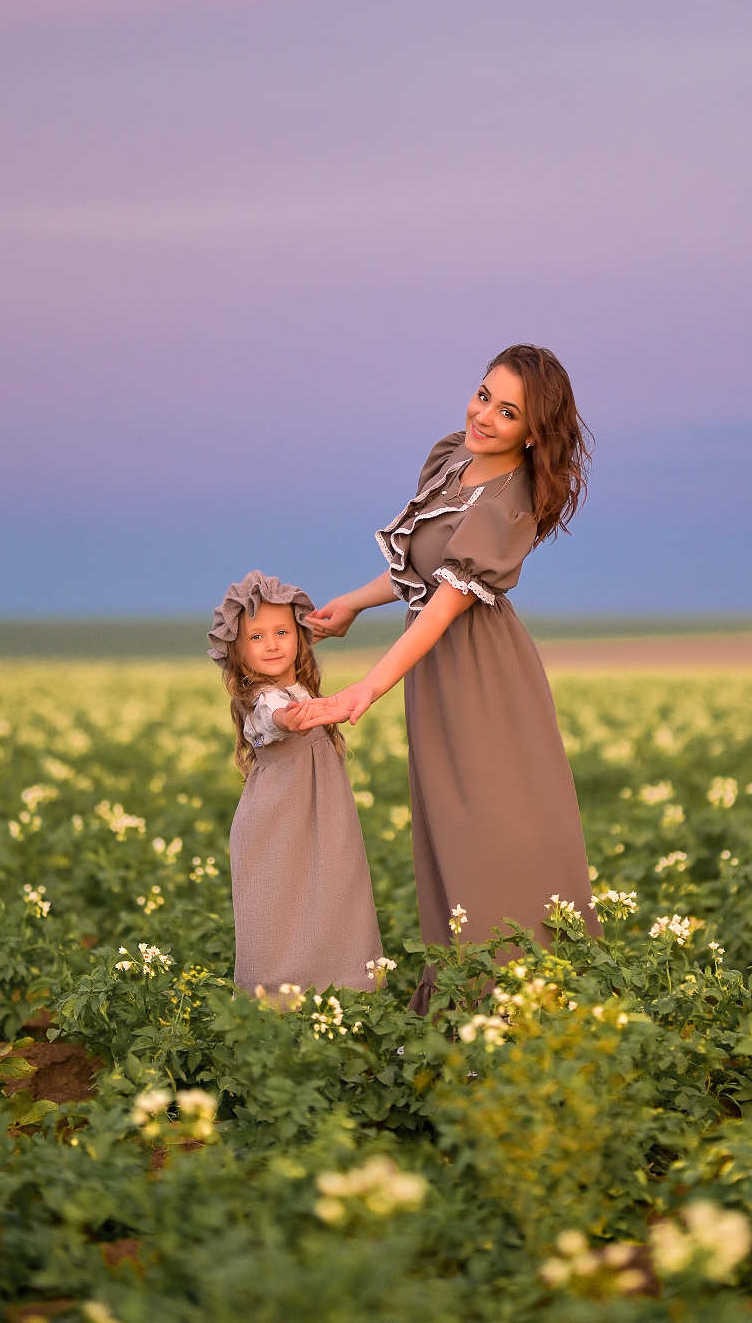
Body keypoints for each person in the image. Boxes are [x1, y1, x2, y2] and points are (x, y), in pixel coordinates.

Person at [287, 345, 600, 1013]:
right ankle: (465, 1009)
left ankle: (523, 1008)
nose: (483, 414)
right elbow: (420, 569)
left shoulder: (507, 500)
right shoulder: (450, 458)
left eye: (507, 410)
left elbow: (443, 607)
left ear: (533, 431)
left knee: (495, 831)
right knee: (448, 836)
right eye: (484, 393)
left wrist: (362, 690)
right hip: (437, 674)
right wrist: (352, 603)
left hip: (483, 678)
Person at [208, 570, 383, 997]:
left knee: (334, 892)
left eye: (282, 633)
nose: (271, 644)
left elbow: (290, 652)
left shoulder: (298, 686)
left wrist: (306, 632)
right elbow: (276, 718)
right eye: (256, 638)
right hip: (279, 823)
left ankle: (339, 991)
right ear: (237, 650)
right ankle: (279, 1000)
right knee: (280, 904)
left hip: (321, 820)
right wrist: (294, 718)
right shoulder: (262, 699)